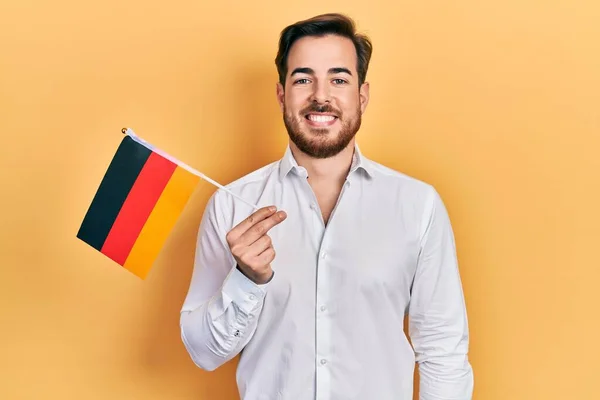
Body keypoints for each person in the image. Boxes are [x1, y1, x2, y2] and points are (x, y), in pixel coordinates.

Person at [179, 12, 474, 400]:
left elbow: (443, 350)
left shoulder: (417, 206)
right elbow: (203, 353)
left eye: (339, 79)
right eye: (303, 79)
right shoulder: (232, 206)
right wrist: (245, 280)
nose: (321, 95)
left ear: (361, 96)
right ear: (282, 93)